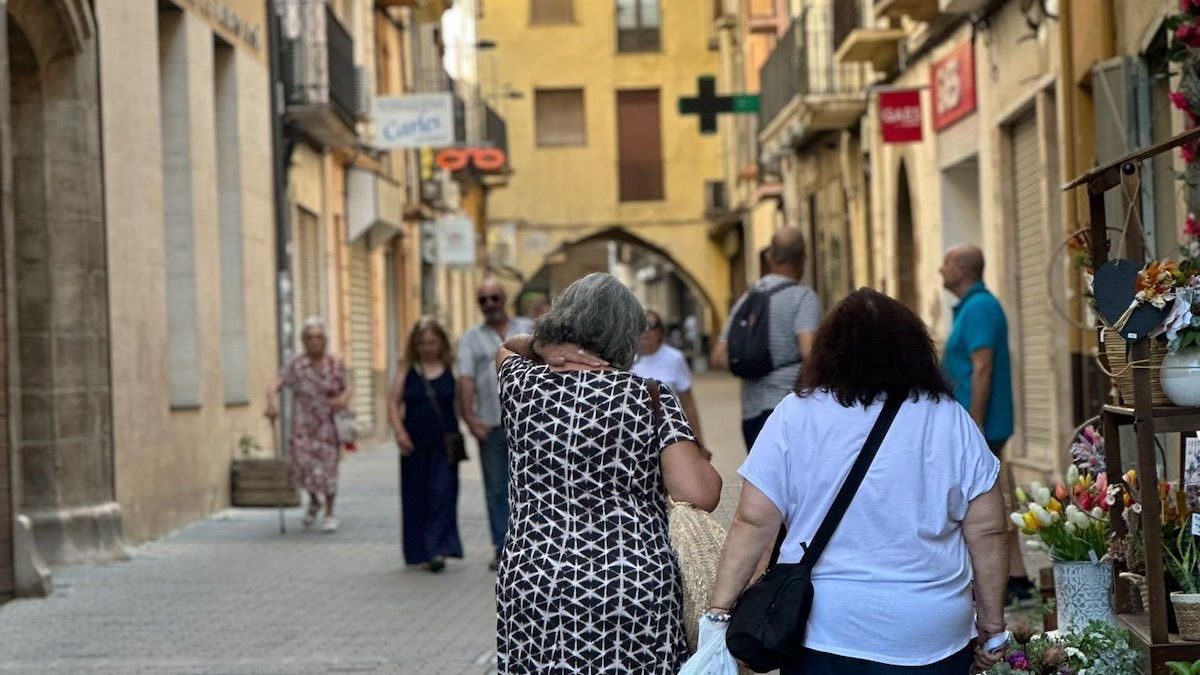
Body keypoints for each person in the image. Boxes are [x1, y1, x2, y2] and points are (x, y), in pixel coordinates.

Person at [706, 289, 1008, 674]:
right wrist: (991, 624)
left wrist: (719, 610)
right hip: (930, 635)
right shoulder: (950, 419)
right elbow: (988, 530)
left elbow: (753, 522)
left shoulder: (794, 414)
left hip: (823, 632)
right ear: (915, 350)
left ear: (827, 351)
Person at [494, 273, 722, 674]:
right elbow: (699, 493)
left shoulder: (522, 383)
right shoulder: (647, 396)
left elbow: (507, 347)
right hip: (629, 583)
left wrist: (548, 348)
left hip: (536, 580)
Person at [939, 244, 1028, 603]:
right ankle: (1016, 577)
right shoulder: (973, 306)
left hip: (981, 425)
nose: (940, 269)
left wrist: (974, 423)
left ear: (961, 269)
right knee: (999, 496)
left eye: (946, 263)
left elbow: (982, 368)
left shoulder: (978, 308)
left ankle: (1000, 582)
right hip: (980, 423)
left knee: (985, 505)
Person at [712, 227, 822, 452]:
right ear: (804, 257)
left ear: (770, 258)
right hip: (791, 406)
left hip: (751, 413)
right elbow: (808, 352)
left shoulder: (746, 299)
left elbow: (718, 357)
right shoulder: (803, 297)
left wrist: (754, 364)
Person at [457, 279, 533, 570]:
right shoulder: (471, 338)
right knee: (496, 488)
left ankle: (528, 545)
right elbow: (466, 379)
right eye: (484, 300)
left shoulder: (528, 327)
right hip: (491, 424)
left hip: (530, 423)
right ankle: (502, 546)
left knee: (529, 484)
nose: (490, 304)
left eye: (494, 298)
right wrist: (470, 418)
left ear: (504, 299)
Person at [388, 317, 464, 573]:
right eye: (422, 343)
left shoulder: (451, 367)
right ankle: (419, 550)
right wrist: (399, 433)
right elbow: (393, 402)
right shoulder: (407, 369)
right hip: (414, 444)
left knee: (443, 495)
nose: (427, 348)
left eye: (432, 342)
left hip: (444, 444)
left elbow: (463, 401)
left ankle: (438, 549)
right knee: (416, 496)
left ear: (441, 343)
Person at [265, 317, 352, 533]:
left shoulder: (334, 363)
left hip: (328, 424)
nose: (314, 341)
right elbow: (275, 385)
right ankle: (314, 500)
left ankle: (330, 512)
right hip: (303, 424)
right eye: (309, 337)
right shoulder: (296, 364)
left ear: (325, 340)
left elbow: (348, 385)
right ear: (303, 340)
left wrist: (343, 399)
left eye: (318, 337)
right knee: (300, 467)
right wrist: (271, 404)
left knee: (329, 469)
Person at [632, 310, 704, 444]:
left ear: (660, 331)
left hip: (670, 432)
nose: (646, 331)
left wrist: (698, 440)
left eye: (651, 325)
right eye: (640, 325)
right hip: (636, 435)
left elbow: (688, 403)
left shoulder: (675, 358)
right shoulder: (624, 359)